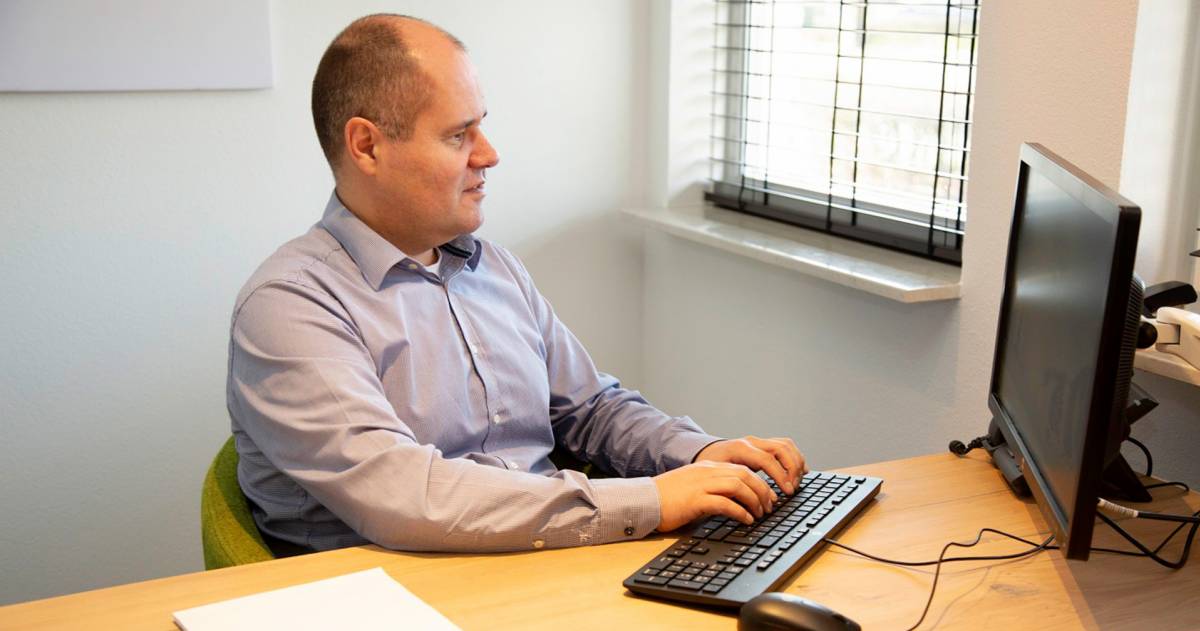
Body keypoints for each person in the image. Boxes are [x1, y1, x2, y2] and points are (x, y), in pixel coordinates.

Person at [227, 14, 807, 555]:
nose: (489, 154)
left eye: (482, 126)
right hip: (396, 591)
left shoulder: (495, 269)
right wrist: (651, 500)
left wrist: (698, 455)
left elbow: (589, 410)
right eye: (458, 136)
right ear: (367, 146)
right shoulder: (289, 306)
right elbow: (407, 496)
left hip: (541, 559)